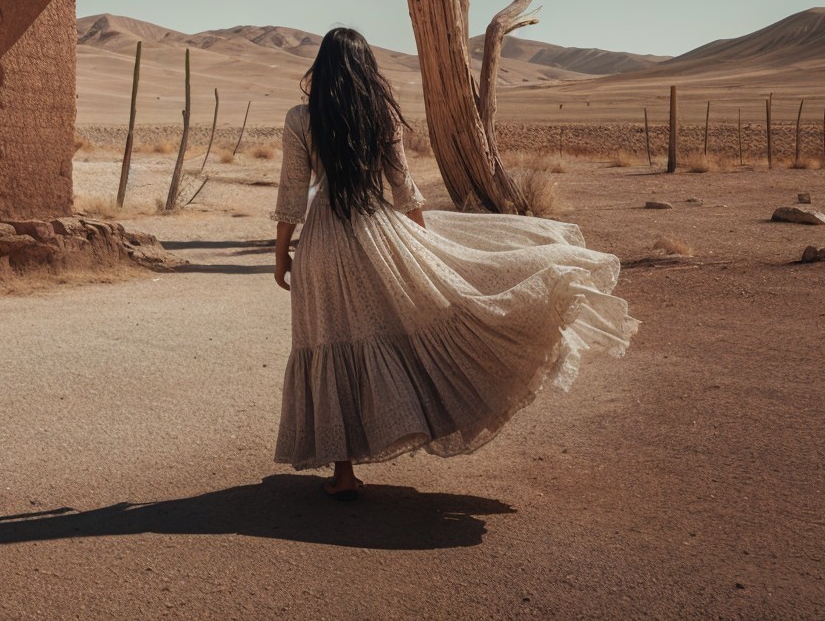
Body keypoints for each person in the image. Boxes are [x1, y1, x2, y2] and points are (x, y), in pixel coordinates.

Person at [272, 27, 637, 497]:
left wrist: (281, 254)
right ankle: (400, 425)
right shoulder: (379, 113)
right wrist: (423, 246)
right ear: (365, 68)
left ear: (320, 68)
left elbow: (291, 196)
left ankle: (343, 473)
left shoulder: (301, 118)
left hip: (321, 243)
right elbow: (403, 189)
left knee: (330, 340)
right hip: (376, 232)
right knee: (386, 334)